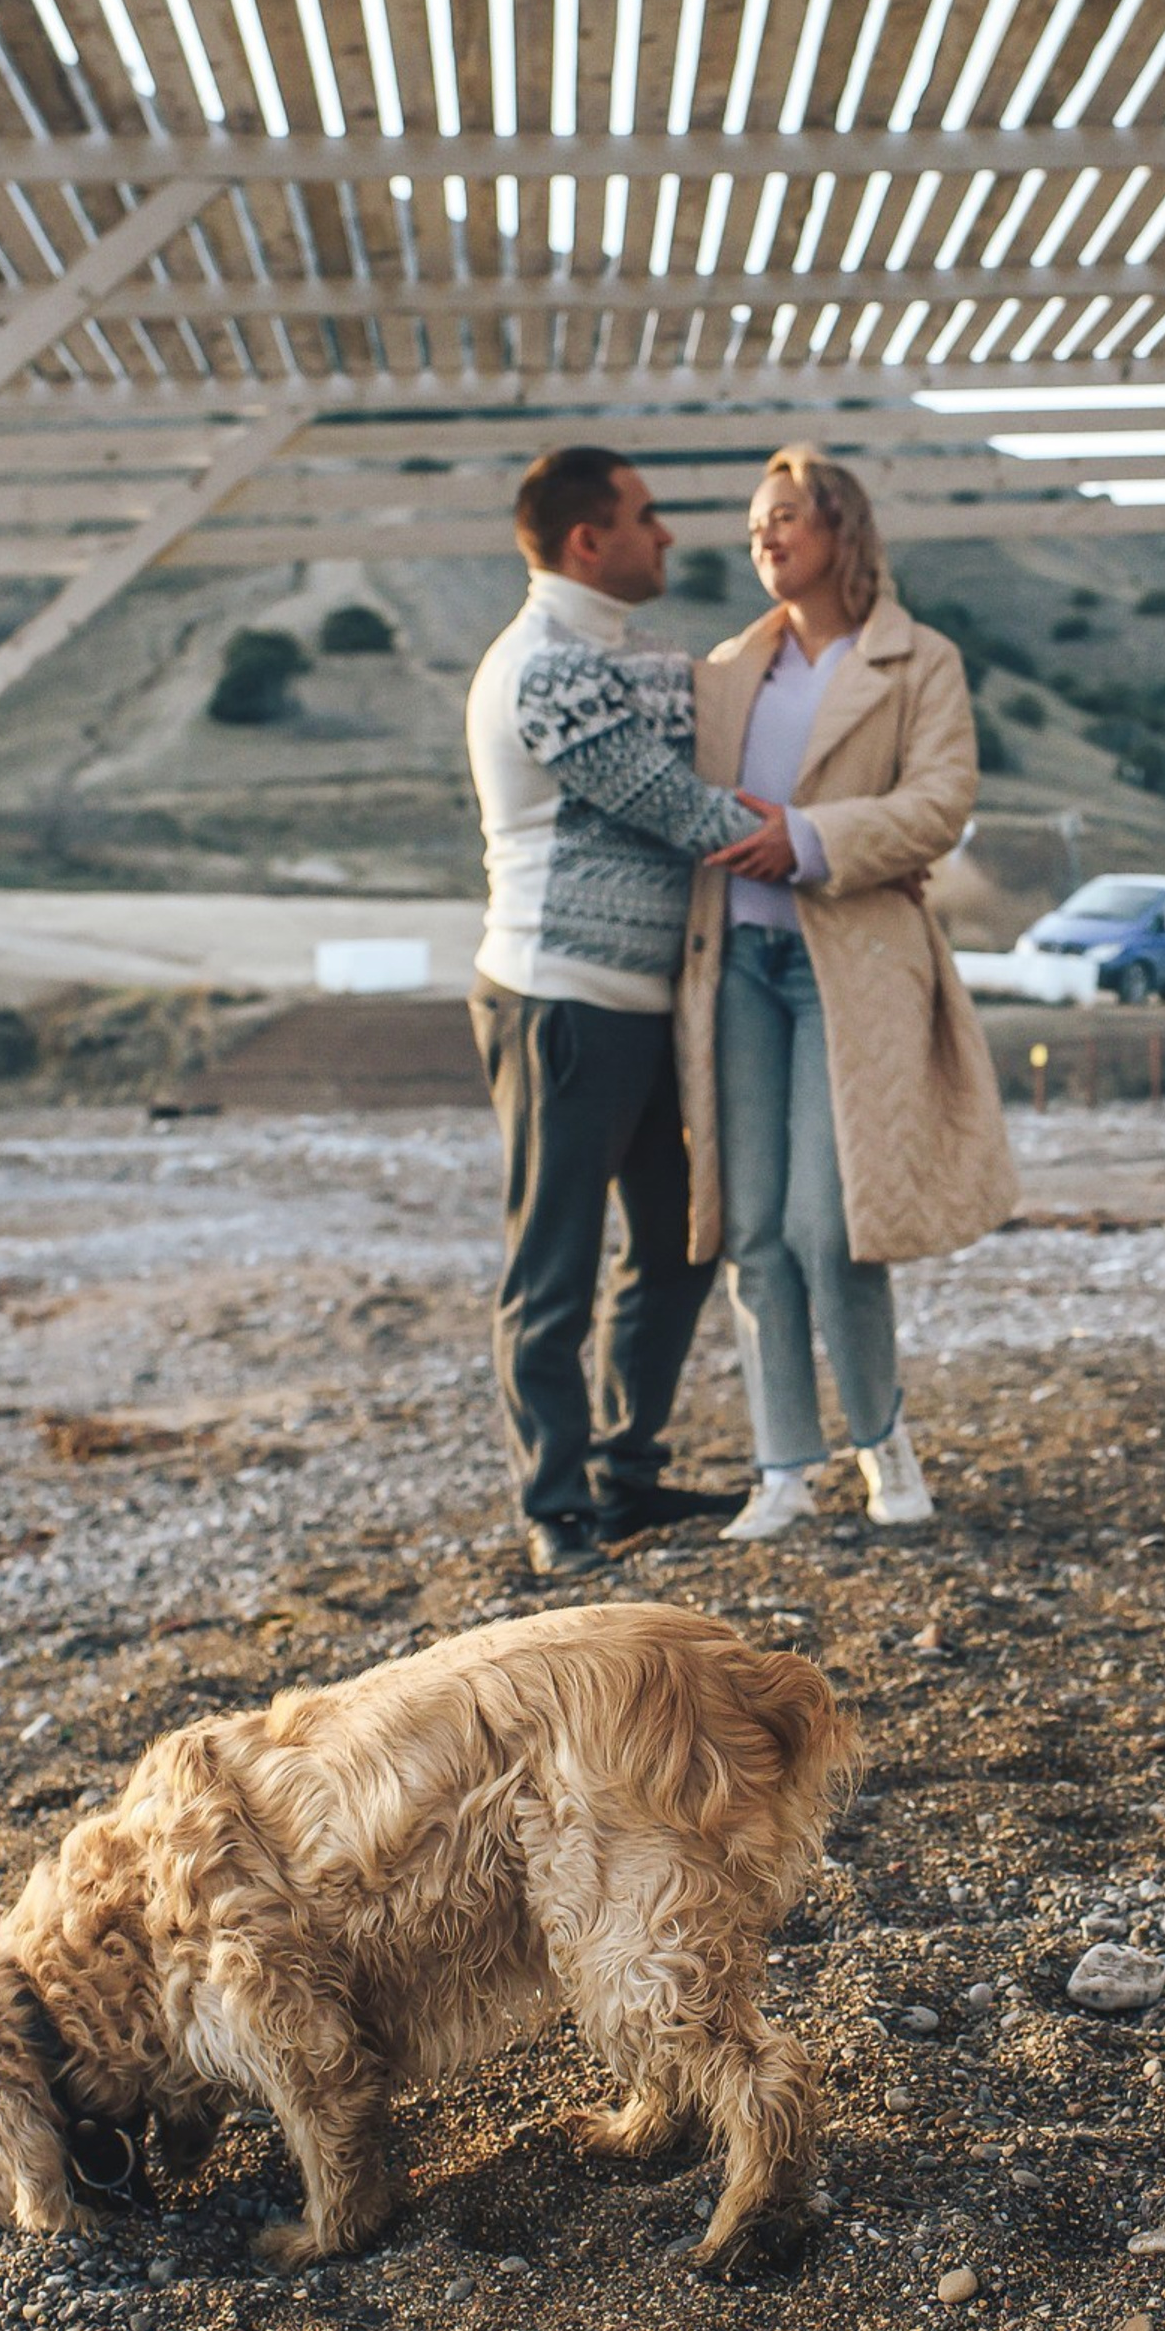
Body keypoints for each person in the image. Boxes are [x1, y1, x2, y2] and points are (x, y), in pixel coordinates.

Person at [673, 444, 1017, 1541]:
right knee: (754, 1229)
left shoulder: (919, 660)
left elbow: (942, 802)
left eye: (783, 516)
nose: (763, 536)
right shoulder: (728, 668)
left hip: (852, 970)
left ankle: (882, 1441)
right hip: (735, 965)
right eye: (754, 524)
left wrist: (811, 839)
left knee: (833, 1225)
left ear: (839, 527)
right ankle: (782, 1468)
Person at [464, 447, 761, 1578]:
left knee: (678, 1243)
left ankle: (625, 1474)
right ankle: (556, 1509)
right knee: (554, 1264)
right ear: (589, 541)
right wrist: (831, 845)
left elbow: (708, 720)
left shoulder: (624, 658)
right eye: (646, 515)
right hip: (561, 1001)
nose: (667, 534)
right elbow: (677, 806)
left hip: (643, 1007)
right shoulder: (545, 669)